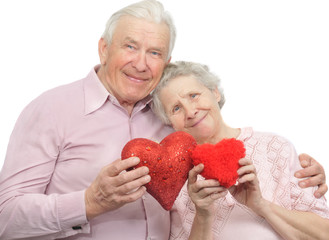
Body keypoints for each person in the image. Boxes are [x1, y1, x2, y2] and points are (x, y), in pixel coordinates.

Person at [0, 0, 326, 239]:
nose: (141, 64)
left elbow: (219, 134)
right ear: (103, 49)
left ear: (166, 61)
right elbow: (5, 217)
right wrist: (88, 202)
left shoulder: (171, 123)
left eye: (154, 53)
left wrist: (302, 171)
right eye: (130, 46)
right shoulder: (51, 109)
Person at [151, 61, 329, 239]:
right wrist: (203, 214)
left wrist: (260, 205)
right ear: (169, 123)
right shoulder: (174, 178)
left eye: (194, 95)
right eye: (176, 108)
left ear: (215, 92)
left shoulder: (276, 147)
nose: (190, 112)